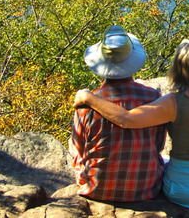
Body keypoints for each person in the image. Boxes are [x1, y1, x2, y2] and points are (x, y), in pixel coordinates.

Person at [74, 39, 189, 211]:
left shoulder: (172, 103)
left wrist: (89, 98)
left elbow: (126, 119)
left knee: (166, 161)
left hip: (181, 193)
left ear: (176, 70)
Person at [69, 25, 167, 202]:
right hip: (145, 187)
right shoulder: (153, 97)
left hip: (96, 189)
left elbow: (79, 149)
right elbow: (158, 144)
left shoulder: (86, 104)